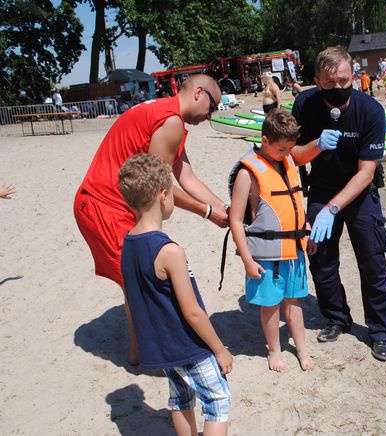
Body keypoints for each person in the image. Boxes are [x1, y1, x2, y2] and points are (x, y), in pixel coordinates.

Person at [73, 74, 229, 365]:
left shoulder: (169, 116)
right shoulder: (170, 121)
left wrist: (224, 208)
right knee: (138, 280)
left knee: (137, 278)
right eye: (212, 107)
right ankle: (141, 354)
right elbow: (161, 187)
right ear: (198, 93)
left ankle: (138, 352)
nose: (209, 116)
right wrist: (207, 213)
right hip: (103, 205)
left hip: (112, 205)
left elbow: (187, 177)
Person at [290, 47, 386, 362]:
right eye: (330, 82)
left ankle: (379, 332)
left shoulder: (371, 111)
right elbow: (291, 155)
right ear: (317, 81)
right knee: (321, 260)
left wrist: (332, 209)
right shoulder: (303, 105)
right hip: (321, 187)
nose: (338, 88)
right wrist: (314, 144)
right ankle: (337, 318)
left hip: (360, 193)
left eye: (344, 80)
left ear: (353, 77)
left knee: (373, 263)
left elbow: (366, 172)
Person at [118, 154, 233, 436]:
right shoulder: (169, 251)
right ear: (164, 196)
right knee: (218, 401)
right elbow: (192, 311)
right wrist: (219, 348)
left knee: (181, 399)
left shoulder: (128, 243)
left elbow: (133, 299)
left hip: (162, 346)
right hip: (189, 345)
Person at [229, 111, 316, 372]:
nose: (286, 154)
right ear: (265, 140)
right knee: (270, 304)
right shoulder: (248, 172)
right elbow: (235, 220)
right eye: (281, 149)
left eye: (290, 148)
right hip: (266, 255)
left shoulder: (288, 161)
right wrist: (246, 260)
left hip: (294, 250)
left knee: (294, 300)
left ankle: (301, 349)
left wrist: (305, 228)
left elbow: (293, 203)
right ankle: (274, 350)